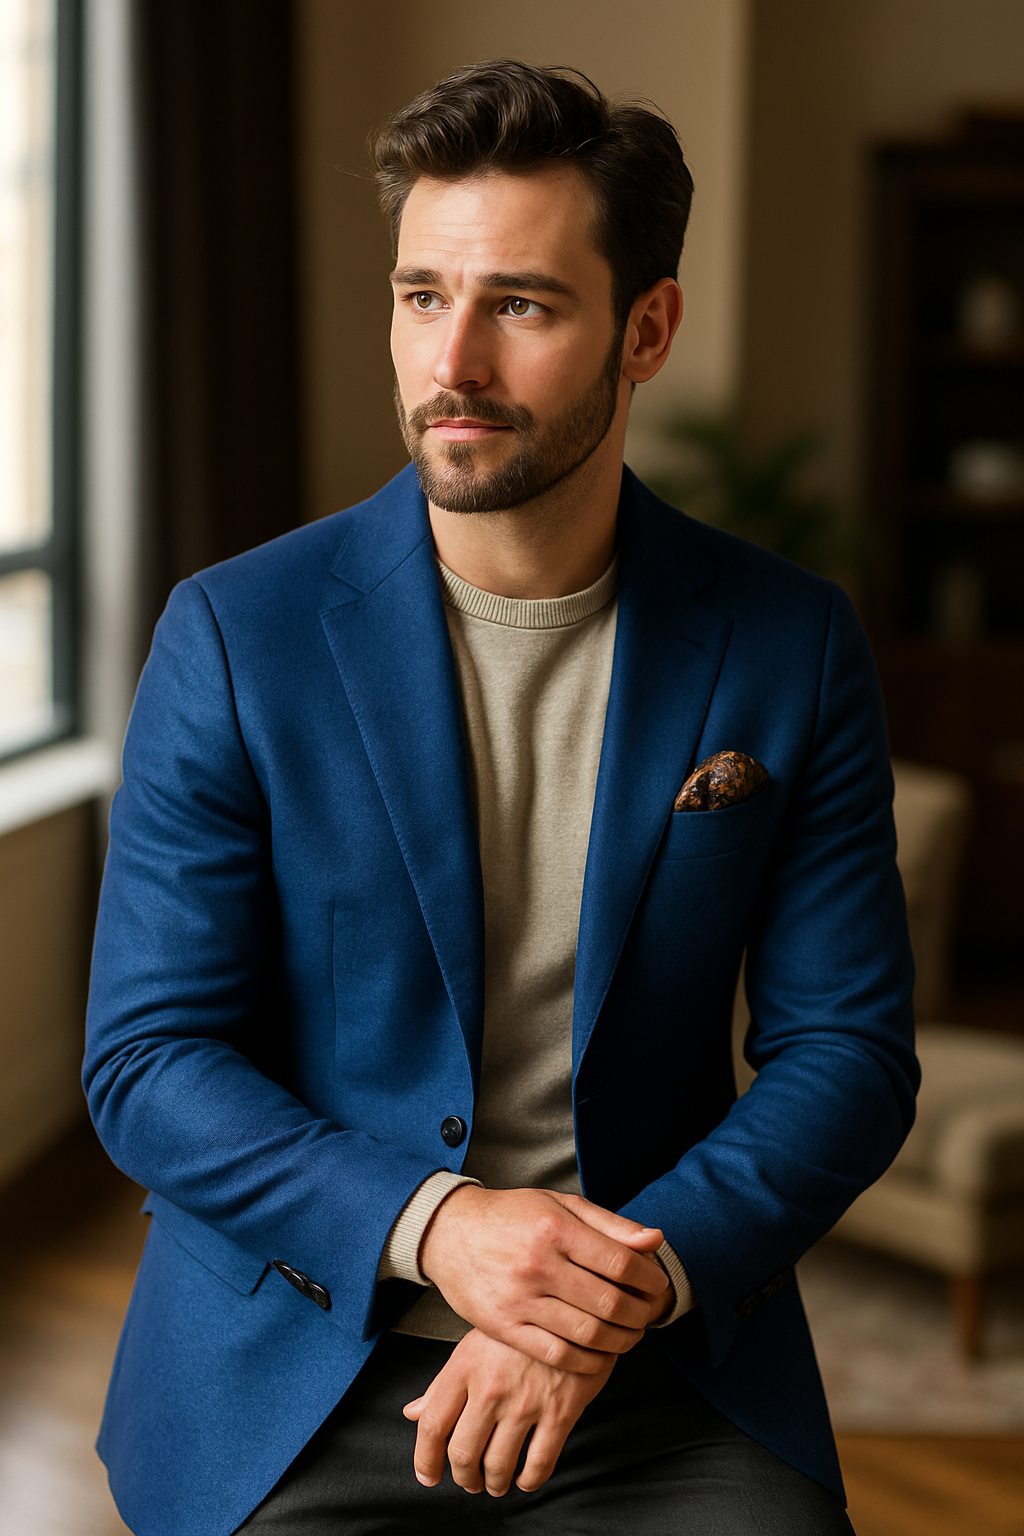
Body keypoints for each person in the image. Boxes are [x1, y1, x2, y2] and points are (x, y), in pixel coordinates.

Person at [84, 60, 917, 1536]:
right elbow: (149, 1060)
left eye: (520, 305)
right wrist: (444, 1227)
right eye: (422, 296)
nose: (452, 360)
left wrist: (600, 1299)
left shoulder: (788, 641)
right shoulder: (235, 633)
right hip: (304, 1354)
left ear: (645, 328)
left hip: (652, 1356)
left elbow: (845, 1052)